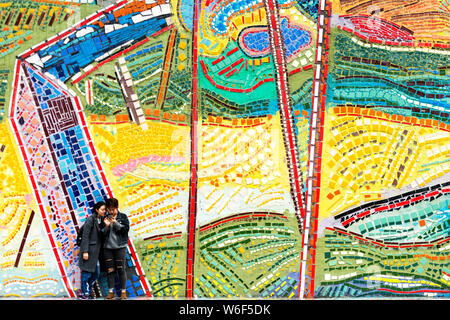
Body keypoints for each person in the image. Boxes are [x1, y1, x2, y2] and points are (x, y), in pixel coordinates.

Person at [78, 201, 107, 299]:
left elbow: (100, 233)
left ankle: (88, 291)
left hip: (96, 252)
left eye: (105, 210)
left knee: (96, 274)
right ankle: (84, 293)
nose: (104, 211)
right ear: (96, 210)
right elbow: (85, 236)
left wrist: (105, 226)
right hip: (89, 251)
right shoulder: (91, 219)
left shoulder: (101, 220)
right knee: (86, 273)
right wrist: (85, 251)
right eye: (102, 209)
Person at [103, 197, 130, 300]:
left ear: (117, 207)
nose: (111, 212)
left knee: (121, 269)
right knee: (110, 270)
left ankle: (123, 292)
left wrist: (115, 223)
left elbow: (125, 230)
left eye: (113, 209)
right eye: (109, 209)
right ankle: (111, 292)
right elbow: (102, 233)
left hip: (120, 247)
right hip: (108, 248)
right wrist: (106, 226)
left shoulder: (123, 217)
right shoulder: (105, 218)